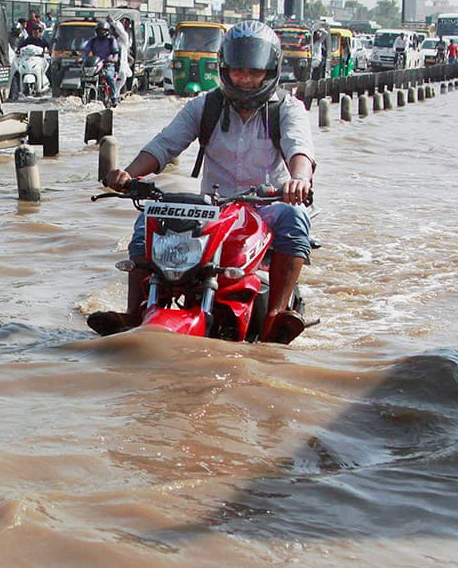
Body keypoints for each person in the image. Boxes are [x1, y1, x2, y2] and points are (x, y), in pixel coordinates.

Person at [91, 20, 315, 343]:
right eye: (238, 71)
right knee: (148, 218)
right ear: (224, 69)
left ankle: (274, 316)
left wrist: (299, 180)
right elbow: (165, 144)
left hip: (266, 207)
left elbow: (300, 150)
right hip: (214, 209)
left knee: (295, 218)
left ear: (270, 72)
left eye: (254, 73)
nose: (245, 80)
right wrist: (130, 173)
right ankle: (133, 312)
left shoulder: (287, 109)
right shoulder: (205, 105)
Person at [81, 20, 119, 106]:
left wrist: (114, 59)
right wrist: (81, 58)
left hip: (108, 63)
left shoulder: (111, 40)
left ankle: (114, 97)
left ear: (107, 31)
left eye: (103, 30)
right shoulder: (93, 40)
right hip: (95, 64)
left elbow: (115, 52)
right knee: (83, 77)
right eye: (99, 30)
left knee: (109, 76)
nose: (101, 32)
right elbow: (86, 51)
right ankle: (83, 95)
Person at [108, 16, 133, 98]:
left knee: (117, 86)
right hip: (109, 65)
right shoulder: (108, 39)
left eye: (114, 30)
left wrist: (113, 22)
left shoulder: (124, 39)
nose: (113, 31)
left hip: (121, 67)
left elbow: (121, 32)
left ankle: (115, 97)